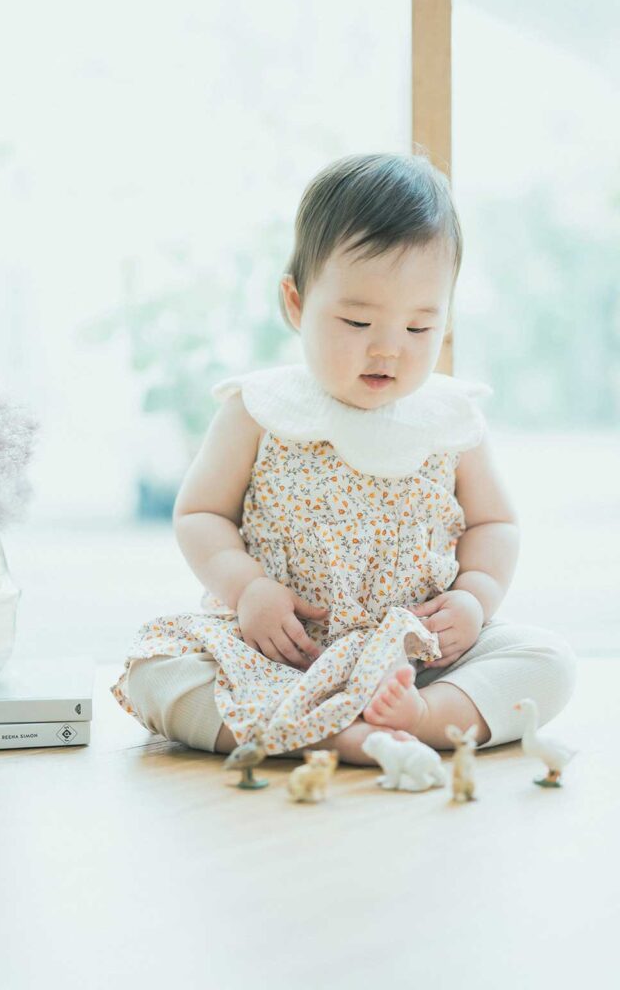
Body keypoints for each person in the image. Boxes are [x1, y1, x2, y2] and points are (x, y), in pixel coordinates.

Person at [110, 151, 577, 766]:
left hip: (417, 660)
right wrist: (248, 590)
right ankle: (332, 731)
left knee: (547, 663)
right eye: (357, 320)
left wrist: (474, 598)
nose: (388, 349)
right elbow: (200, 514)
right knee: (157, 671)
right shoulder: (260, 410)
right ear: (297, 303)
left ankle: (420, 719)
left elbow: (495, 523)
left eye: (419, 329)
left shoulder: (452, 420)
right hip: (282, 655)